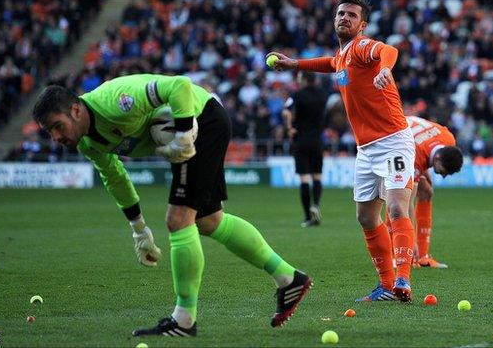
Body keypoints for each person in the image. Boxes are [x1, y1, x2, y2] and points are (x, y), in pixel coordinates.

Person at [32, 74, 313, 337]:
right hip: (204, 123)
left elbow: (179, 85)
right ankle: (289, 278)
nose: (56, 137)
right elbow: (115, 177)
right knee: (209, 220)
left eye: (58, 126)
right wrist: (139, 230)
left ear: (76, 110)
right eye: (49, 132)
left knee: (178, 219)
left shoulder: (115, 101)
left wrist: (182, 135)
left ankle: (183, 320)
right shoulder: (86, 143)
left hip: (202, 118)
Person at [268, 0, 416, 302]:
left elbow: (388, 50)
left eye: (351, 14)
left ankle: (403, 279)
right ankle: (386, 286)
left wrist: (385, 69)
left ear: (362, 25)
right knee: (365, 218)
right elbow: (329, 63)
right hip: (366, 150)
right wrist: (294, 63)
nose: (344, 18)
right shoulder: (342, 56)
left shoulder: (362, 47)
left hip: (393, 142)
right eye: (340, 13)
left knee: (397, 207)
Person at [383, 116, 463, 268]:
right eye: (443, 171)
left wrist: (423, 173)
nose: (443, 175)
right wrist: (411, 240)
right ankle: (396, 255)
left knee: (426, 192)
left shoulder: (448, 139)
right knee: (399, 201)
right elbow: (409, 204)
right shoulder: (415, 156)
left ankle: (423, 257)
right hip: (389, 143)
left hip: (407, 135)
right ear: (438, 159)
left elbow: (427, 151)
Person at [281, 72, 327, 228]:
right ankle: (316, 204)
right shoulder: (322, 94)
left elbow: (286, 111)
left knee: (304, 179)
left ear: (305, 80)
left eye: (300, 77)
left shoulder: (297, 95)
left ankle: (308, 216)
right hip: (317, 140)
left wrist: (289, 129)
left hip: (301, 139)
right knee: (317, 176)